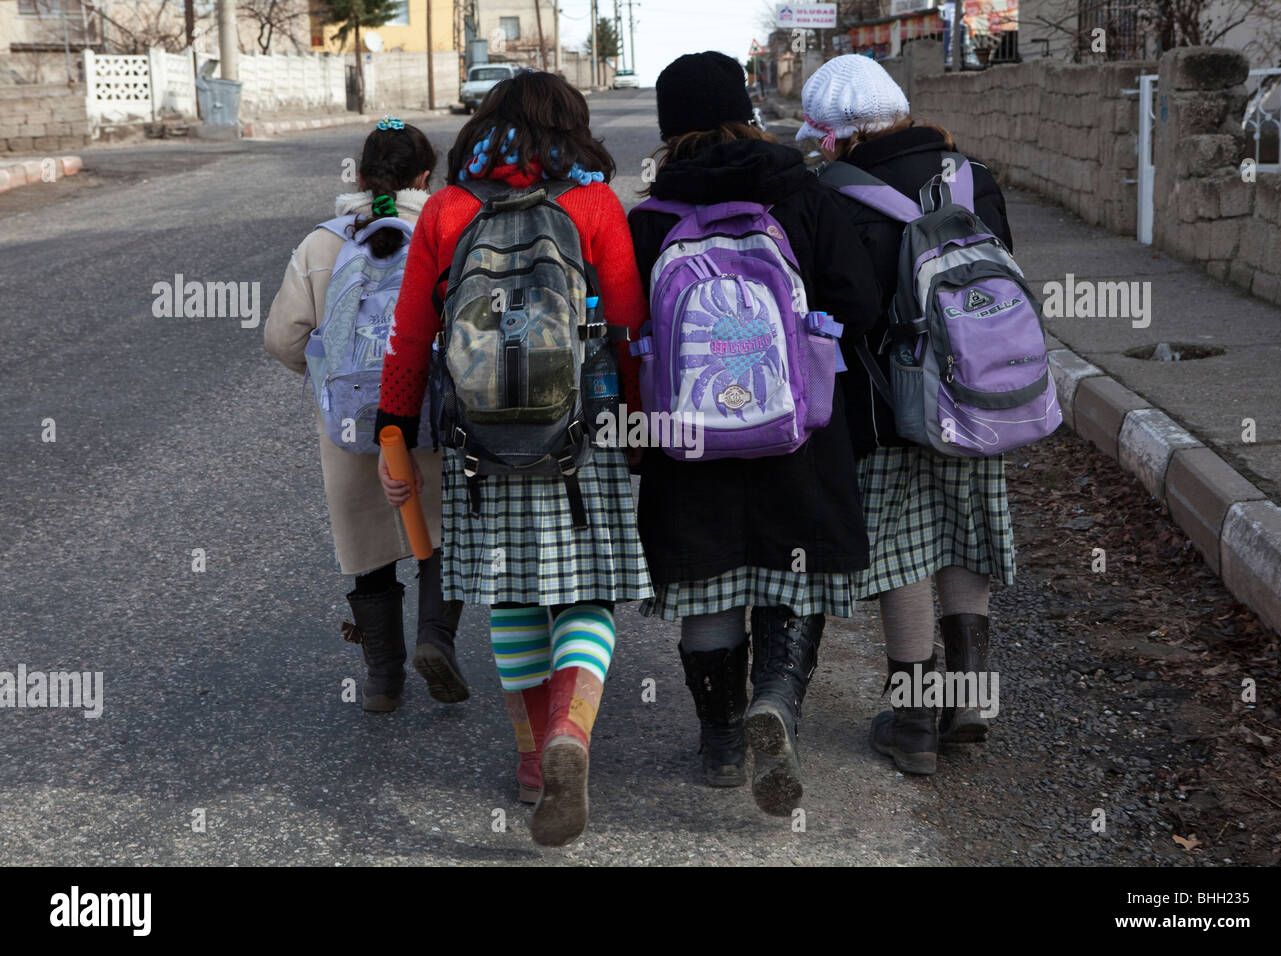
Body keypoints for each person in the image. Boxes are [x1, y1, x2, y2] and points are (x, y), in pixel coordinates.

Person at [374, 72, 652, 847]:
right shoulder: (593, 203)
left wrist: (393, 430)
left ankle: (534, 767)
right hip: (580, 431)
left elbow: (411, 333)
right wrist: (636, 425)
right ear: (571, 127)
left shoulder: (447, 206)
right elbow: (628, 324)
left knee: (510, 596)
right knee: (586, 591)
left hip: (479, 437)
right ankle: (572, 732)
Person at [628, 52, 880, 816]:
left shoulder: (651, 216)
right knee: (792, 572)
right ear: (746, 107)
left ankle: (720, 742)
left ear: (671, 126)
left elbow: (624, 327)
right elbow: (859, 303)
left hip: (689, 440)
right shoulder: (802, 193)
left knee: (708, 576)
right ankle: (776, 701)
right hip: (798, 430)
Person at [798, 55, 1016, 775]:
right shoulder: (969, 176)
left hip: (882, 407)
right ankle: (973, 698)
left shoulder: (832, 192)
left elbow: (849, 308)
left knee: (902, 556)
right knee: (964, 537)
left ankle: (916, 722)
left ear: (836, 134)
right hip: (979, 398)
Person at [265, 119, 468, 715]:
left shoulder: (320, 245)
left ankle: (382, 681)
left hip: (355, 430)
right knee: (438, 533)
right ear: (426, 177)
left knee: (369, 547)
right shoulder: (444, 235)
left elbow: (282, 338)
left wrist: (329, 377)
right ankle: (436, 639)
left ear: (358, 174)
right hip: (431, 414)